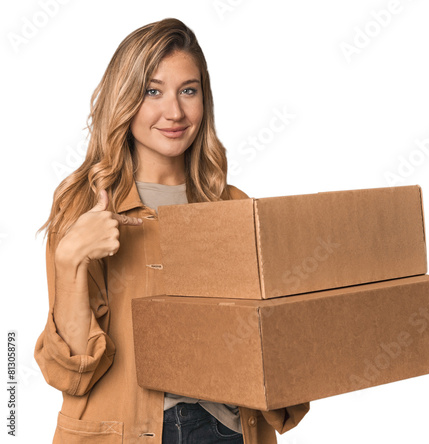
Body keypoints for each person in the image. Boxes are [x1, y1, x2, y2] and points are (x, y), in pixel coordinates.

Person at [34, 17, 309, 444]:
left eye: (188, 90)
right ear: (124, 99)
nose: (175, 112)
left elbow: (275, 360)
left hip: (229, 429)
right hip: (129, 431)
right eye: (152, 91)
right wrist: (70, 261)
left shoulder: (234, 206)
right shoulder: (84, 203)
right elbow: (72, 371)